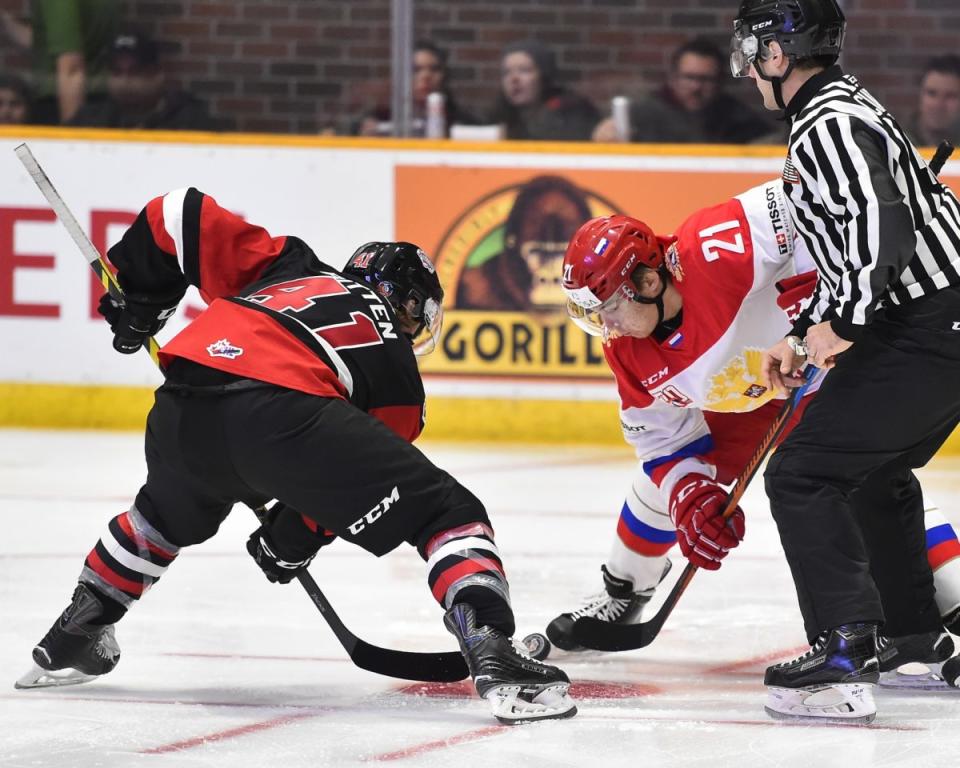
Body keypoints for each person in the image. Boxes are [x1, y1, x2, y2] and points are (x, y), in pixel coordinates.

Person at [15, 189, 577, 724]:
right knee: (446, 511)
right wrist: (291, 539)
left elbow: (178, 213)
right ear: (408, 305)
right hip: (283, 414)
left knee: (160, 518)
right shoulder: (399, 375)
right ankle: (491, 643)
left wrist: (142, 296)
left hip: (181, 401)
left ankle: (80, 626)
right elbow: (336, 491)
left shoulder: (292, 266)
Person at [550, 183, 960, 680]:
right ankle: (624, 590)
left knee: (856, 474)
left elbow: (809, 201)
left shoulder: (714, 245)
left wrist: (830, 301)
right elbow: (662, 441)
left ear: (648, 282)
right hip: (747, 400)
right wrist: (692, 497)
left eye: (609, 305)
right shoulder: (627, 352)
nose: (605, 324)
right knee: (665, 487)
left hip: (826, 372)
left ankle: (953, 595)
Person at [730, 0, 960, 723]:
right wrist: (804, 334)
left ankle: (843, 648)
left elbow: (883, 232)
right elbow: (857, 243)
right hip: (937, 321)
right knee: (869, 467)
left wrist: (845, 322)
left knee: (803, 473)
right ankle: (913, 636)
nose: (747, 68)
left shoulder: (829, 123)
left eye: (753, 51)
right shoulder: (837, 109)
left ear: (777, 55)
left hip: (929, 326)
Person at [592, 38, 776, 145]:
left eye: (705, 79)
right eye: (689, 77)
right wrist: (603, 141)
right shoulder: (642, 114)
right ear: (672, 78)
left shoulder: (739, 120)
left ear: (720, 82)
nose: (696, 87)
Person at [69, 30, 220, 131]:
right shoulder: (90, 120)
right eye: (117, 72)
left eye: (135, 72)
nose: (125, 81)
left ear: (157, 74)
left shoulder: (189, 122)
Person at [1, 0, 118, 124]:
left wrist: (70, 135)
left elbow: (71, 69)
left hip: (65, 103)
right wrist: (5, 21)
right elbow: (51, 43)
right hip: (97, 99)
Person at [355, 41, 478, 138]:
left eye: (434, 69)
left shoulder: (461, 122)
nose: (425, 76)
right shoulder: (381, 118)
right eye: (416, 70)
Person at [488, 40, 599, 142]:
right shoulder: (498, 116)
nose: (514, 79)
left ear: (544, 76)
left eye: (524, 70)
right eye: (506, 72)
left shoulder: (572, 111)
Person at [903, 55, 960, 149]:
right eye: (932, 93)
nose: (939, 105)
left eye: (950, 96)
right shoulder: (894, 143)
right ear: (920, 95)